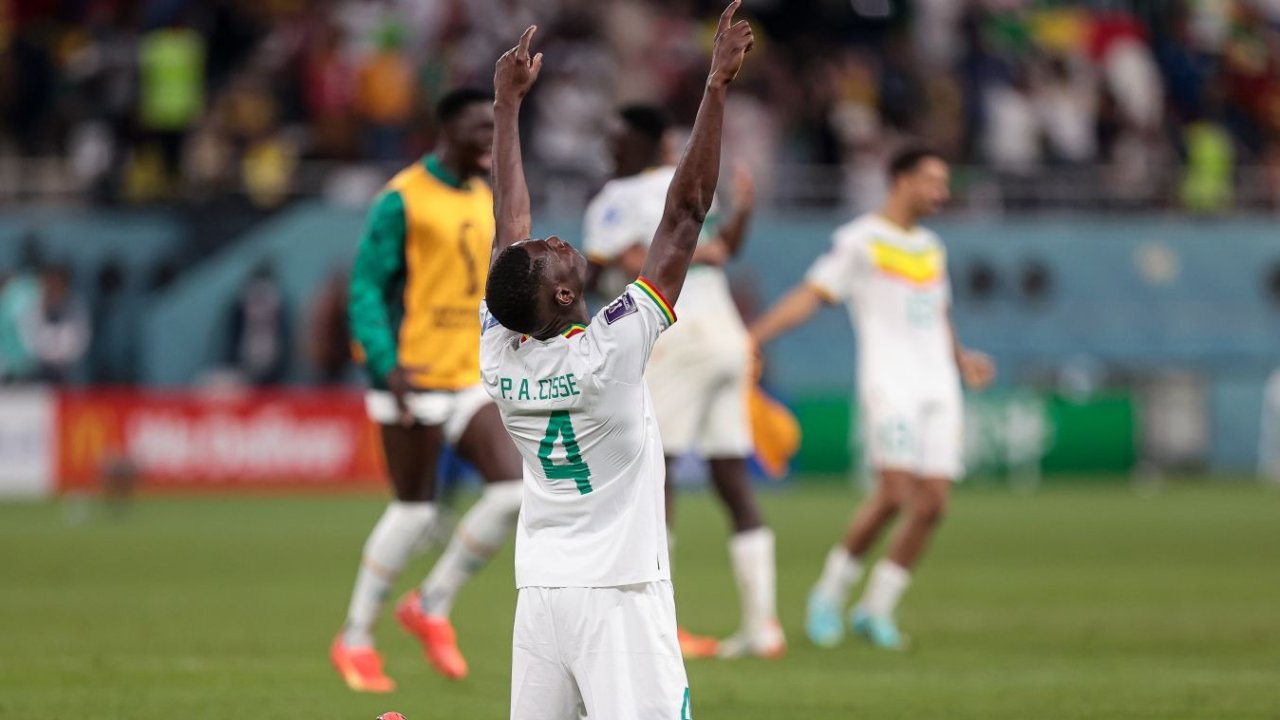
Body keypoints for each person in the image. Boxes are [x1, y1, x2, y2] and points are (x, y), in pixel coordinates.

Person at [481, 9, 751, 719]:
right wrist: (716, 85)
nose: (554, 239)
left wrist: (507, 108)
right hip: (622, 594)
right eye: (551, 253)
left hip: (541, 595)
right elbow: (684, 216)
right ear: (563, 295)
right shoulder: (611, 352)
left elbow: (508, 231)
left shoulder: (498, 352)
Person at [750, 147, 995, 650]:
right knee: (895, 492)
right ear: (900, 179)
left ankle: (876, 608)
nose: (941, 192)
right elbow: (813, 293)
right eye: (932, 180)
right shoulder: (860, 240)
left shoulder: (930, 247)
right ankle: (829, 595)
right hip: (890, 382)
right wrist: (755, 336)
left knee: (934, 503)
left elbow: (939, 312)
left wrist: (961, 358)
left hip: (938, 386)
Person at [331, 87, 525, 691]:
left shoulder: (481, 196)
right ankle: (355, 638)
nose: (489, 142)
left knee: (513, 491)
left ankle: (431, 602)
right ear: (446, 131)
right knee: (414, 511)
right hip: (410, 377)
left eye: (492, 130)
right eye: (478, 130)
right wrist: (383, 364)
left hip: (468, 376)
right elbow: (366, 286)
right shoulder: (402, 199)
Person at [582, 106, 780, 659]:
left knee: (656, 474)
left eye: (619, 137)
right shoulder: (687, 184)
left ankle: (658, 627)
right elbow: (721, 250)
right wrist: (742, 213)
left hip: (678, 337)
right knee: (732, 477)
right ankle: (763, 627)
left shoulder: (616, 197)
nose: (610, 147)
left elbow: (616, 265)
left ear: (647, 142)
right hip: (728, 335)